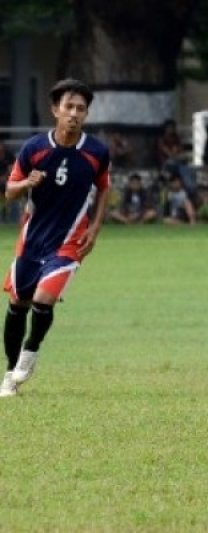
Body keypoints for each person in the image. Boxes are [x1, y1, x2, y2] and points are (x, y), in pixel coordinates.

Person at [0, 78, 111, 397]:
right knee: (18, 303)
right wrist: (26, 184)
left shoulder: (96, 152)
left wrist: (95, 228)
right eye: (69, 107)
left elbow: (104, 188)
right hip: (31, 241)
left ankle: (31, 350)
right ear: (55, 110)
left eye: (81, 109)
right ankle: (9, 373)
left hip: (68, 243)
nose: (74, 114)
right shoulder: (34, 148)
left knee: (43, 299)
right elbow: (9, 192)